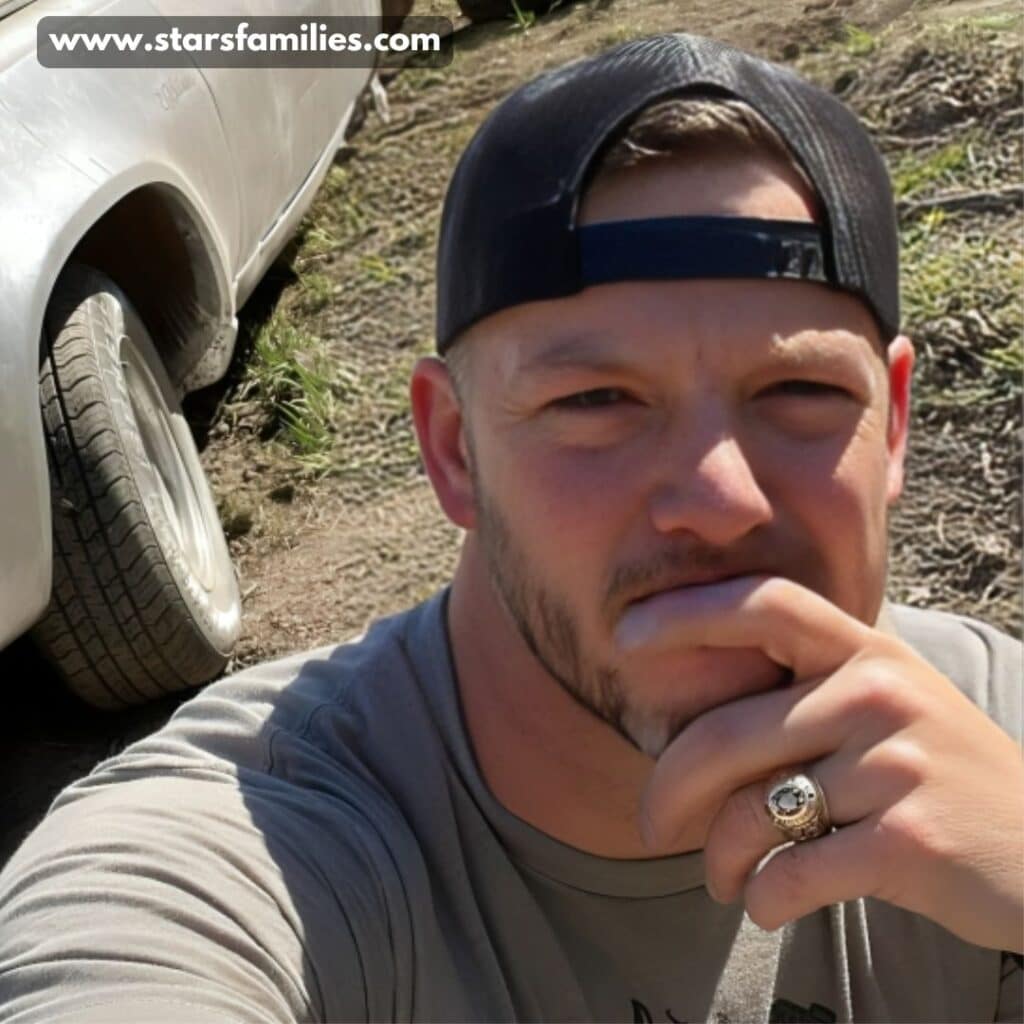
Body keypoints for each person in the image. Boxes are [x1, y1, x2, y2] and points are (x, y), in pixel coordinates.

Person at [0, 32, 1021, 1024]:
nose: (719, 498)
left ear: (891, 425)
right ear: (453, 450)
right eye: (597, 400)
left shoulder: (997, 738)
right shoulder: (241, 849)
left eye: (799, 390)